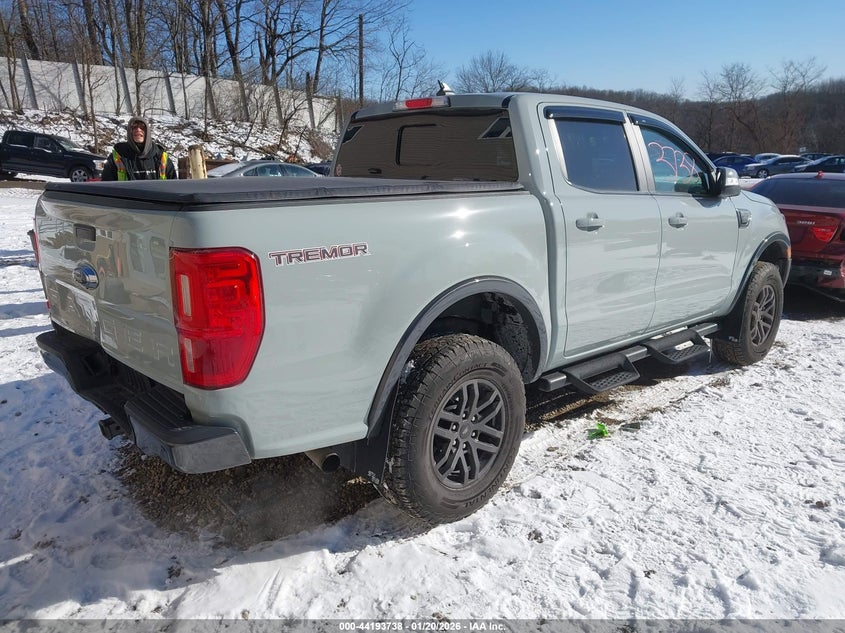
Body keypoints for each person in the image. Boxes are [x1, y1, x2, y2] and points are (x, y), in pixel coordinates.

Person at [101, 116, 177, 181]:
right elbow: (107, 187)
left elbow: (173, 187)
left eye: (142, 127)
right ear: (129, 132)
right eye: (134, 127)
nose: (138, 130)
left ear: (147, 131)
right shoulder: (117, 156)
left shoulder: (161, 157)